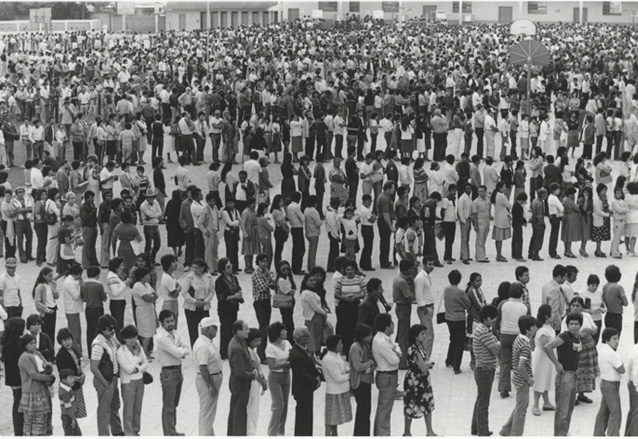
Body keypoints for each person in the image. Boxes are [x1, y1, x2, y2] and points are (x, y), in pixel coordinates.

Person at [544, 312, 583, 436]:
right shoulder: (565, 336)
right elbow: (548, 347)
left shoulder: (577, 337)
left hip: (574, 376)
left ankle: (564, 433)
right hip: (565, 376)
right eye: (571, 324)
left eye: (576, 324)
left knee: (570, 409)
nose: (574, 326)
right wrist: (556, 363)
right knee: (562, 411)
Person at [499, 315, 538, 437]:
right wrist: (529, 379)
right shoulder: (525, 346)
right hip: (522, 381)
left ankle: (506, 429)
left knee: (519, 406)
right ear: (528, 330)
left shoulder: (519, 339)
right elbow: (521, 366)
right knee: (522, 410)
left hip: (516, 378)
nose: (536, 328)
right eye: (534, 327)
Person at [154, 309, 189, 436]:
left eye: (172, 320)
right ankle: (169, 433)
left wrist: (181, 351)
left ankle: (172, 430)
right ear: (162, 323)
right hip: (169, 373)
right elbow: (178, 352)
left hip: (178, 371)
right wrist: (181, 351)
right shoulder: (162, 338)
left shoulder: (175, 333)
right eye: (167, 321)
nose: (170, 323)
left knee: (174, 404)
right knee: (169, 405)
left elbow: (187, 348)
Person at [90, 315, 124, 436]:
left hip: (113, 379)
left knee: (115, 406)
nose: (113, 331)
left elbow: (120, 348)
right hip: (105, 381)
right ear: (102, 329)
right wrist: (105, 383)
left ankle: (117, 431)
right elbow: (93, 367)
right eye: (110, 329)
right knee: (104, 411)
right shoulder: (98, 344)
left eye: (113, 328)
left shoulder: (111, 338)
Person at [561, 296, 599, 405]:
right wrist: (578, 334)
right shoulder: (566, 319)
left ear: (582, 307)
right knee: (575, 372)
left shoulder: (587, 316)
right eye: (573, 305)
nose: (575, 308)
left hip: (588, 349)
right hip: (575, 349)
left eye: (578, 306)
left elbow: (595, 329)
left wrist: (590, 330)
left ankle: (581, 395)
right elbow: (564, 334)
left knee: (586, 372)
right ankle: (573, 397)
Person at [471, 305, 501, 437]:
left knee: (480, 399)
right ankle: (483, 431)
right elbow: (496, 350)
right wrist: (499, 343)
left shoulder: (483, 329)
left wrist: (495, 342)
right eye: (491, 318)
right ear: (485, 318)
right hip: (485, 370)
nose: (494, 320)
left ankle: (475, 428)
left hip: (482, 368)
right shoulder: (484, 331)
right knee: (484, 402)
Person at [402, 324, 437, 437]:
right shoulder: (413, 350)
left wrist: (425, 363)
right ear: (415, 336)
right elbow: (423, 367)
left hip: (422, 379)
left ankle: (429, 431)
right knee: (411, 405)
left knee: (427, 404)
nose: (425, 336)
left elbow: (424, 361)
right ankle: (407, 432)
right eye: (422, 334)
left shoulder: (421, 347)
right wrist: (427, 364)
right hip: (415, 380)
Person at [18, 333, 55, 436]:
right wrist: (49, 378)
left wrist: (49, 367)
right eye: (31, 343)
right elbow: (33, 374)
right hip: (32, 392)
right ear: (25, 345)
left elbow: (46, 365)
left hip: (43, 390)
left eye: (35, 343)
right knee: (34, 423)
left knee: (45, 419)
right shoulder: (24, 358)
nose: (34, 345)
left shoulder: (37, 354)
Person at [497, 283, 530, 398]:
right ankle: (521, 384)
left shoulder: (503, 304)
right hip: (518, 336)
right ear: (521, 293)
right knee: (520, 362)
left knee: (504, 362)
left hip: (505, 334)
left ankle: (503, 388)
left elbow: (497, 321)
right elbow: (528, 323)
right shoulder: (525, 306)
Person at [116, 325, 149, 437]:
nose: (133, 340)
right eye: (130, 338)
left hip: (139, 381)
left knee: (137, 408)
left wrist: (138, 369)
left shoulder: (138, 345)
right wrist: (136, 357)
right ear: (124, 338)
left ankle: (135, 430)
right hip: (128, 383)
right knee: (128, 410)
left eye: (134, 337)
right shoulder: (121, 351)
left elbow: (146, 363)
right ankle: (129, 433)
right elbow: (128, 369)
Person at [193, 316, 223, 436]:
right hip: (208, 380)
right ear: (207, 329)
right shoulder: (202, 345)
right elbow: (203, 367)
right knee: (207, 412)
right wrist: (210, 385)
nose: (216, 330)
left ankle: (209, 434)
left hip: (213, 377)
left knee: (209, 411)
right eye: (214, 328)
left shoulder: (207, 342)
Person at [372, 313, 401, 436]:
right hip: (386, 376)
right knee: (384, 408)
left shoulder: (385, 339)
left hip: (389, 375)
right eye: (392, 324)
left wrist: (396, 351)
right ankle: (382, 434)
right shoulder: (382, 342)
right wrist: (396, 352)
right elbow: (395, 360)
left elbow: (397, 347)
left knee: (386, 408)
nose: (394, 326)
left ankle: (383, 433)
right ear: (387, 326)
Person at [289, 326, 321, 436]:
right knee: (303, 420)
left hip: (306, 390)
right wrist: (315, 382)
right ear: (299, 338)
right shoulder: (297, 354)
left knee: (306, 418)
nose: (308, 338)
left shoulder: (302, 350)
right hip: (303, 390)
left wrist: (317, 376)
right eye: (305, 336)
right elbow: (302, 375)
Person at [593, 328, 625, 436]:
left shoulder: (602, 349)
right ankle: (613, 435)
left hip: (605, 383)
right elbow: (622, 369)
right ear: (607, 340)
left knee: (604, 411)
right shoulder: (611, 353)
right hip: (611, 385)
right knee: (616, 413)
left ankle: (598, 434)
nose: (617, 341)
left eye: (617, 338)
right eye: (614, 339)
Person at [227, 320, 256, 436]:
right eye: (246, 329)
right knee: (239, 413)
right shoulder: (237, 347)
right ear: (238, 331)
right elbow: (239, 372)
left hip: (238, 382)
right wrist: (253, 375)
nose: (249, 331)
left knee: (236, 411)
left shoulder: (239, 342)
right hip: (240, 383)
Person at [334, 259, 367, 356]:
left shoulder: (360, 279)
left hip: (356, 305)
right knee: (346, 328)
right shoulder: (340, 280)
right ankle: (347, 349)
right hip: (344, 306)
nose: (350, 271)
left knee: (354, 327)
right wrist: (343, 297)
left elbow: (366, 293)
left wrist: (357, 297)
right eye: (347, 269)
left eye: (352, 269)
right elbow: (336, 294)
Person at [180, 258, 215, 347]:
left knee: (206, 329)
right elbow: (184, 292)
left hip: (204, 306)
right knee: (193, 331)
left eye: (196, 268)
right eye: (193, 268)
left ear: (202, 268)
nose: (194, 270)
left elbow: (211, 291)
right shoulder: (189, 277)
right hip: (191, 307)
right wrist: (195, 301)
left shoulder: (208, 277)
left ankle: (207, 348)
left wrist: (205, 301)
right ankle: (195, 350)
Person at [322, 334, 353, 436]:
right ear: (334, 346)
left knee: (335, 419)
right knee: (331, 418)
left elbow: (342, 368)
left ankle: (335, 435)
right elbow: (337, 378)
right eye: (340, 343)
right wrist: (351, 375)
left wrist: (348, 370)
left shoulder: (336, 355)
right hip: (334, 392)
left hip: (341, 390)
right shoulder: (329, 359)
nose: (342, 345)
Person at [265, 321, 291, 436]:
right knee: (278, 405)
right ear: (277, 333)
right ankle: (272, 432)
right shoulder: (270, 348)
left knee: (285, 405)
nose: (285, 332)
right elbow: (271, 366)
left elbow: (292, 356)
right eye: (283, 330)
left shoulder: (287, 343)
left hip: (286, 376)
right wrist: (285, 364)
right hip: (275, 378)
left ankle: (281, 431)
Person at [531, 305, 557, 416]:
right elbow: (546, 347)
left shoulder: (548, 326)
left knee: (545, 380)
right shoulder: (542, 330)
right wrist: (556, 362)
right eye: (553, 312)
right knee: (539, 381)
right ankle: (535, 405)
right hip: (542, 358)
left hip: (547, 359)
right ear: (547, 315)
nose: (554, 315)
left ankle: (546, 403)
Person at [444, 269, 470, 374]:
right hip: (459, 318)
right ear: (459, 280)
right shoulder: (460, 292)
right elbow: (467, 305)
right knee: (460, 342)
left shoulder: (446, 289)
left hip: (449, 317)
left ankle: (449, 360)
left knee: (453, 339)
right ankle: (456, 366)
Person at [131, 267, 158, 358]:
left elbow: (155, 295)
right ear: (142, 277)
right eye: (147, 275)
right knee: (146, 332)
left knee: (149, 331)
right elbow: (147, 299)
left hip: (149, 309)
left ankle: (145, 351)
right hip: (142, 310)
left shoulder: (147, 284)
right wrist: (152, 297)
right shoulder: (137, 286)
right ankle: (145, 352)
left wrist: (152, 297)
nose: (149, 276)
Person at [32, 266, 59, 345]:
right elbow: (37, 302)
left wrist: (54, 288)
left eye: (52, 275)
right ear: (44, 276)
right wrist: (47, 310)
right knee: (46, 332)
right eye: (49, 276)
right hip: (46, 311)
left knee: (52, 331)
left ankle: (51, 349)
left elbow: (57, 297)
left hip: (53, 308)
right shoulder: (40, 286)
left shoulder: (50, 284)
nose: (51, 278)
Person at [60, 264, 83, 354]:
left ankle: (78, 350)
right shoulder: (68, 282)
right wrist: (80, 286)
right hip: (71, 309)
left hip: (73, 309)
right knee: (75, 333)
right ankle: (76, 351)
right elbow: (76, 295)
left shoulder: (71, 280)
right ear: (76, 274)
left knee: (77, 332)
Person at [541, 264, 568, 332]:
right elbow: (554, 309)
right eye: (565, 277)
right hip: (553, 323)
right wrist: (559, 323)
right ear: (559, 276)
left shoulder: (547, 285)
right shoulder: (554, 290)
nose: (566, 279)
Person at [602, 264, 628, 335]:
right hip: (617, 316)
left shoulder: (605, 286)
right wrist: (620, 302)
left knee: (608, 337)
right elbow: (625, 303)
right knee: (615, 337)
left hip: (608, 315)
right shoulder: (619, 287)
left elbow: (604, 298)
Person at [376, 181, 396, 269]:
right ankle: (384, 262)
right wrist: (390, 226)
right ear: (388, 188)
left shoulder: (385, 196)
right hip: (384, 222)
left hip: (384, 220)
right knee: (385, 242)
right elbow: (385, 214)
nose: (394, 190)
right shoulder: (384, 198)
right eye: (393, 188)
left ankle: (385, 260)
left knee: (385, 241)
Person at [58, 368, 82, 436]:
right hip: (68, 417)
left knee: (77, 434)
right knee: (70, 434)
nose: (73, 380)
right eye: (70, 378)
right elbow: (68, 408)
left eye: (73, 378)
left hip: (70, 416)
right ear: (64, 380)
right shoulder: (65, 392)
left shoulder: (65, 387)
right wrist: (73, 418)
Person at [626, 334, 638, 436]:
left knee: (633, 412)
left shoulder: (634, 347)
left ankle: (629, 434)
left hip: (632, 383)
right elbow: (636, 372)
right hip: (636, 385)